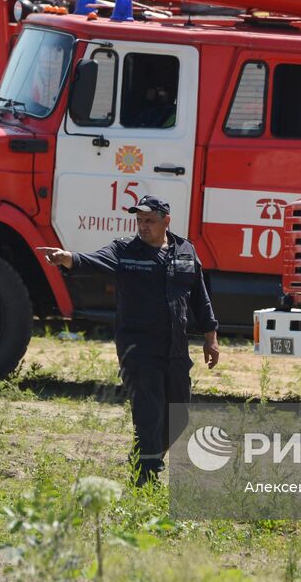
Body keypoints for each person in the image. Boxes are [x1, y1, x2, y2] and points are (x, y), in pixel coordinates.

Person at [39, 195, 220, 485]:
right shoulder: (124, 250)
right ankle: (146, 477)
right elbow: (92, 260)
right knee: (149, 411)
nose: (143, 226)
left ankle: (146, 458)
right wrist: (66, 258)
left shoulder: (186, 250)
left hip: (175, 346)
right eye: (139, 221)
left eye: (149, 221)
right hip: (138, 347)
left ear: (166, 221)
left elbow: (200, 298)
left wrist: (211, 338)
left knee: (179, 415)